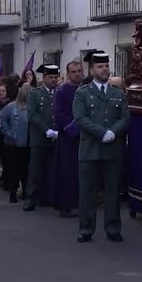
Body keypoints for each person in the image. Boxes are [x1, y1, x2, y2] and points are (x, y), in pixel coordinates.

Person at [73, 52, 131, 243]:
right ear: (91, 70)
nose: (105, 69)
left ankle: (113, 228)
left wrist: (113, 132)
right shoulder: (82, 93)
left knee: (112, 191)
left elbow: (125, 118)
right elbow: (80, 118)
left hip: (112, 149)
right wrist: (101, 133)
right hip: (90, 149)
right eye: (100, 66)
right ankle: (86, 228)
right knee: (87, 192)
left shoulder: (118, 94)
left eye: (106, 66)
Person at [51, 59, 86, 217]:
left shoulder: (86, 89)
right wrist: (74, 128)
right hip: (68, 137)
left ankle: (80, 202)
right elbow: (59, 114)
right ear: (68, 74)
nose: (77, 74)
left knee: (82, 171)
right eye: (73, 72)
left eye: (79, 71)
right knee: (67, 171)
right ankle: (66, 205)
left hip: (85, 136)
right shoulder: (62, 90)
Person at [23, 64, 59, 212]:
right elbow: (32, 115)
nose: (54, 80)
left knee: (53, 169)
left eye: (55, 77)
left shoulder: (59, 92)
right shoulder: (35, 93)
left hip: (56, 137)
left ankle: (49, 197)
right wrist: (46, 129)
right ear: (44, 78)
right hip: (39, 138)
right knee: (35, 170)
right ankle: (30, 199)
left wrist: (57, 130)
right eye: (51, 77)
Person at [0, 85, 30, 204]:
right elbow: (0, 119)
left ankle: (25, 191)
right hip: (13, 144)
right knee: (14, 170)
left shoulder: (32, 108)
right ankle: (13, 193)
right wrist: (8, 132)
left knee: (26, 170)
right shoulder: (11, 107)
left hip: (28, 143)